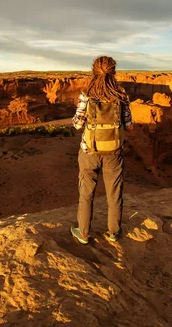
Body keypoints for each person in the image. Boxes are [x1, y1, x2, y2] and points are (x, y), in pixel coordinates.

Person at [70, 55, 133, 244]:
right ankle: (114, 232)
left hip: (89, 151)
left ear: (93, 71)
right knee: (114, 193)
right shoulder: (121, 95)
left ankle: (83, 233)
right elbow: (129, 126)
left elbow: (77, 125)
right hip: (114, 153)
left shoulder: (86, 94)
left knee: (86, 193)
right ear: (113, 72)